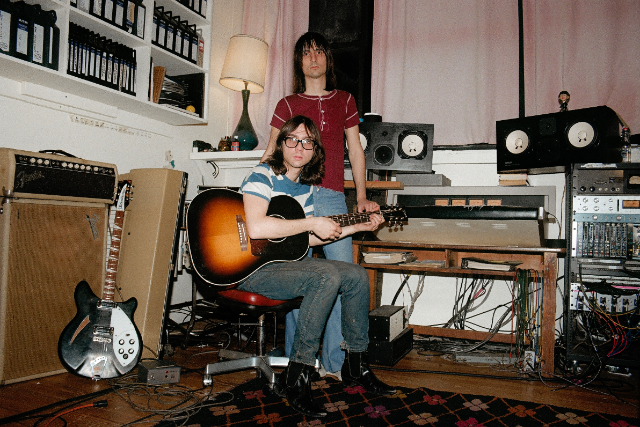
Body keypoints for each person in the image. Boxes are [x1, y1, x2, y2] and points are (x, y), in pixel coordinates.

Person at [240, 115, 395, 417]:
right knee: (325, 275)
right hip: (252, 269)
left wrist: (358, 226)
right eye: (292, 139)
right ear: (281, 144)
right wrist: (312, 222)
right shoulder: (262, 174)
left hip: (285, 268)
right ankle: (297, 376)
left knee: (355, 274)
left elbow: (306, 240)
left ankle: (356, 365)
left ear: (315, 151)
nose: (299, 147)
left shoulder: (306, 190)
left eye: (307, 142)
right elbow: (257, 228)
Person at [261, 32, 378, 379]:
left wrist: (360, 197)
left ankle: (336, 365)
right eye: (306, 54)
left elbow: (355, 150)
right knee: (299, 282)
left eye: (319, 53)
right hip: (292, 199)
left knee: (343, 280)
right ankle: (299, 363)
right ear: (299, 63)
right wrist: (260, 196)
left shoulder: (345, 100)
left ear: (328, 59)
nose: (313, 59)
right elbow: (271, 152)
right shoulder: (286, 103)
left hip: (331, 197)